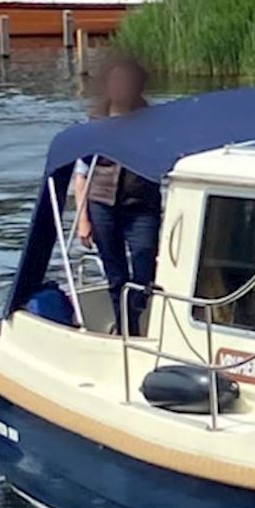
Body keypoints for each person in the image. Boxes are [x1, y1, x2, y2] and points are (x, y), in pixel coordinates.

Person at [73, 56, 162, 336]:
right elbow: (81, 172)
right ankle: (127, 330)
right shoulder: (94, 122)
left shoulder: (153, 121)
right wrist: (82, 219)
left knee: (144, 266)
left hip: (141, 205)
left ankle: (133, 313)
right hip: (102, 203)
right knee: (115, 274)